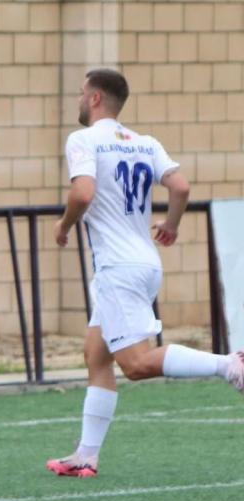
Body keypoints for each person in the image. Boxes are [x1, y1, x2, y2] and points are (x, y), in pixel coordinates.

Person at [48, 68, 244, 478]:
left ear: (96, 98)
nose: (79, 100)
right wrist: (171, 225)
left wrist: (64, 226)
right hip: (143, 262)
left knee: (135, 365)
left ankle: (229, 364)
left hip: (117, 268)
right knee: (95, 354)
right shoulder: (145, 143)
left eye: (83, 93)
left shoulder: (83, 140)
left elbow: (82, 192)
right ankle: (86, 454)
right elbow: (181, 187)